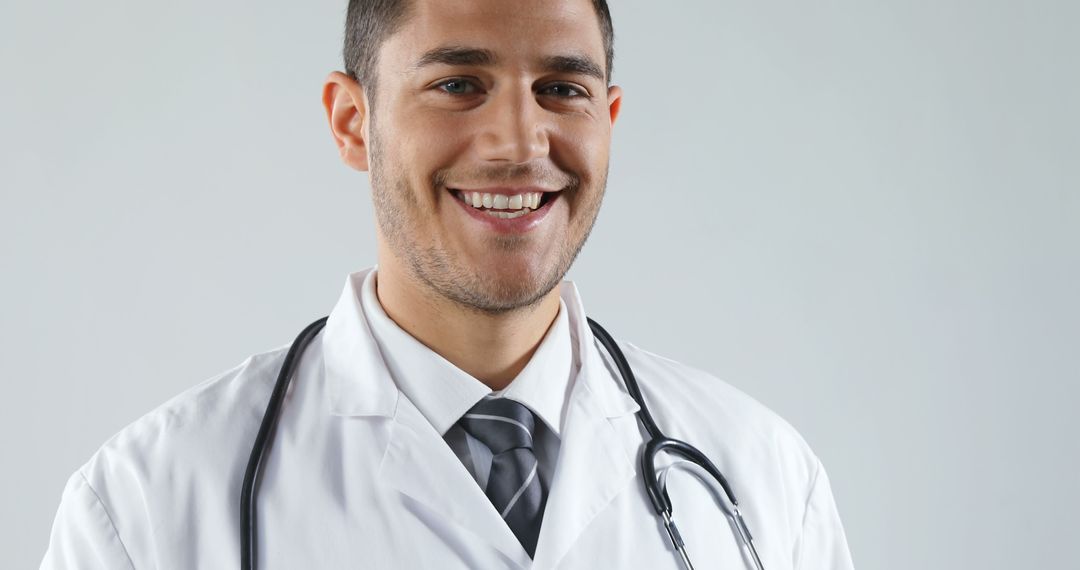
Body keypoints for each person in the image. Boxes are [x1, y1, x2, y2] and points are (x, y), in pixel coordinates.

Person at [41, 0, 854, 568]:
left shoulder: (762, 479)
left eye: (562, 89)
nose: (517, 141)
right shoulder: (147, 507)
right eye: (459, 84)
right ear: (352, 121)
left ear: (608, 119)